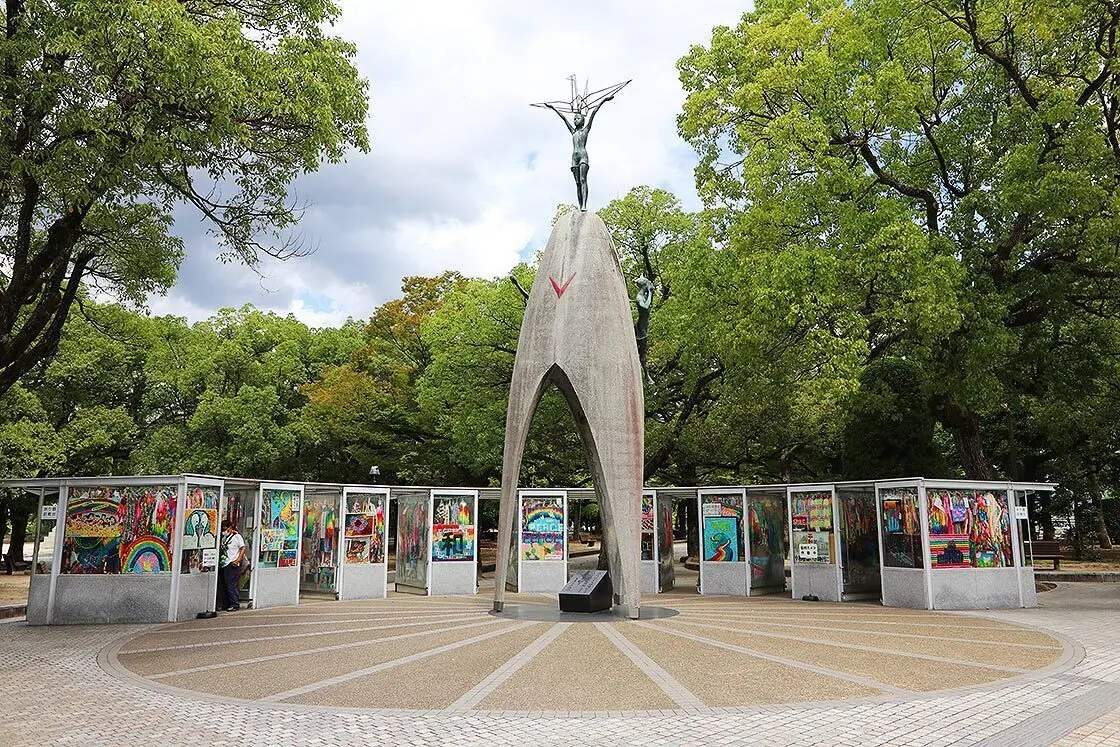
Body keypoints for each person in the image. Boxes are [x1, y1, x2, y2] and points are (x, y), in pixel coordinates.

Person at [219, 520, 247, 612]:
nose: (224, 531)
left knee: (231, 584)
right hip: (223, 564)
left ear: (230, 528)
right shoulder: (224, 538)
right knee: (223, 585)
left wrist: (238, 560)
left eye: (225, 529)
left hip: (232, 563)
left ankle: (234, 604)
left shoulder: (237, 537)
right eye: (223, 529)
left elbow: (243, 548)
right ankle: (225, 604)